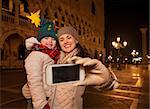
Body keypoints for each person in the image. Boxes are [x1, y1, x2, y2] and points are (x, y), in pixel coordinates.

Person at [22, 26, 119, 109]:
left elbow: (109, 84)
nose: (65, 42)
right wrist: (29, 87)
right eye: (61, 39)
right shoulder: (54, 59)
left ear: (76, 40)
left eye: (69, 37)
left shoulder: (82, 61)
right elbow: (41, 81)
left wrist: (106, 79)